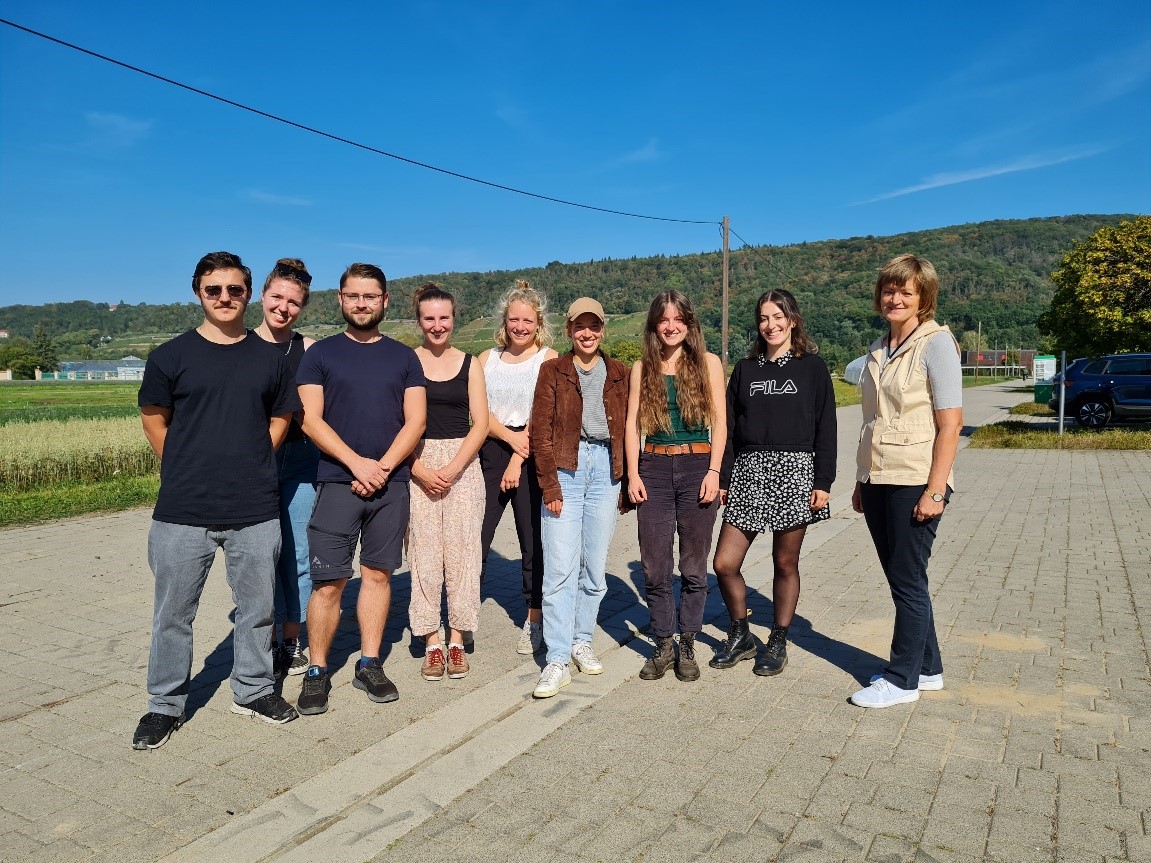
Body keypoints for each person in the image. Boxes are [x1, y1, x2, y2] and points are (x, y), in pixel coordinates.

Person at [132, 251, 301, 749]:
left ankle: (251, 689)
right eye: (214, 290)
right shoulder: (170, 355)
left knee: (257, 608)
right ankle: (164, 704)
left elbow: (281, 419)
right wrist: (184, 464)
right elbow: (153, 418)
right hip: (183, 510)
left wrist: (251, 459)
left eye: (235, 290)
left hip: (254, 506)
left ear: (248, 294)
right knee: (172, 614)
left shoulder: (271, 358)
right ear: (198, 293)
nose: (225, 298)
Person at [293, 263, 427, 715]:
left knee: (378, 574)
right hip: (336, 481)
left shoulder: (404, 357)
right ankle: (317, 670)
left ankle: (369, 663)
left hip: (390, 484)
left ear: (385, 301)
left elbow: (416, 421)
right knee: (329, 581)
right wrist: (355, 463)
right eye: (354, 296)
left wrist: (384, 467)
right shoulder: (320, 355)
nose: (363, 304)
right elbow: (310, 418)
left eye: (371, 296)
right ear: (341, 299)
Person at [849, 254, 962, 708]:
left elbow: (951, 424)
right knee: (905, 577)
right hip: (878, 478)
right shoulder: (880, 348)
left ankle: (901, 681)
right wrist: (862, 480)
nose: (895, 298)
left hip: (916, 478)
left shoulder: (936, 344)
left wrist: (936, 490)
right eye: (890, 291)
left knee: (907, 581)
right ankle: (929, 669)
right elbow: (874, 419)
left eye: (906, 292)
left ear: (923, 298)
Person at [711, 289, 836, 676]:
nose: (771, 325)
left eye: (778, 317)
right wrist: (725, 477)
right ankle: (741, 633)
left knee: (785, 562)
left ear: (792, 320)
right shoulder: (746, 370)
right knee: (724, 563)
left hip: (796, 470)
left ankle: (778, 640)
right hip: (749, 470)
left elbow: (826, 427)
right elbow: (728, 428)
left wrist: (823, 480)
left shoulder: (812, 368)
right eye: (764, 318)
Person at [530, 297, 630, 698]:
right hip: (567, 471)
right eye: (579, 327)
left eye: (594, 326)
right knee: (558, 568)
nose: (587, 333)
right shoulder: (552, 370)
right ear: (569, 330)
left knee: (593, 568)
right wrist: (550, 485)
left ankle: (581, 640)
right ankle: (556, 658)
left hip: (606, 472)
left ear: (602, 329)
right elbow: (540, 432)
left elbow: (631, 428)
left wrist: (626, 481)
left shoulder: (621, 373)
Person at [624, 291, 726, 682]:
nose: (671, 326)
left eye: (678, 319)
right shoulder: (641, 367)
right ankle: (663, 643)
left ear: (689, 323)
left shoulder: (708, 363)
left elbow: (720, 423)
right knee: (654, 566)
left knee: (694, 566)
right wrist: (633, 474)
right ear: (654, 325)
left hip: (698, 465)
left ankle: (688, 642)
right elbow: (633, 425)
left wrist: (714, 471)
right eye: (664, 320)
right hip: (653, 468)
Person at [407, 284, 489, 681]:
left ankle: (458, 638)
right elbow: (398, 422)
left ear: (454, 319)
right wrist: (417, 468)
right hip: (418, 463)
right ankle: (431, 641)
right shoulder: (406, 362)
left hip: (463, 466)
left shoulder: (470, 363)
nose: (437, 325)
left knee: (463, 554)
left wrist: (455, 468)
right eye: (429, 318)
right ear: (419, 321)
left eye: (444, 317)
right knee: (423, 554)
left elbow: (482, 423)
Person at [477, 280, 557, 656]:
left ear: (538, 321)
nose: (520, 327)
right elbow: (478, 413)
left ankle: (534, 619)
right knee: (474, 538)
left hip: (531, 452)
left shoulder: (549, 358)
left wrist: (518, 456)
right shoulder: (485, 359)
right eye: (514, 320)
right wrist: (508, 445)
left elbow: (544, 416)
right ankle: (463, 618)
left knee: (532, 542)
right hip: (490, 450)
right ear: (504, 321)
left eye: (527, 320)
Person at [253, 258, 318, 678]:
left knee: (296, 555)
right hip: (252, 460)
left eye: (293, 302)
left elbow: (315, 411)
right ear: (263, 296)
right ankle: (261, 638)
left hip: (299, 459)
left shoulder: (308, 348)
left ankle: (292, 641)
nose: (283, 307)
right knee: (258, 555)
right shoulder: (239, 344)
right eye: (277, 297)